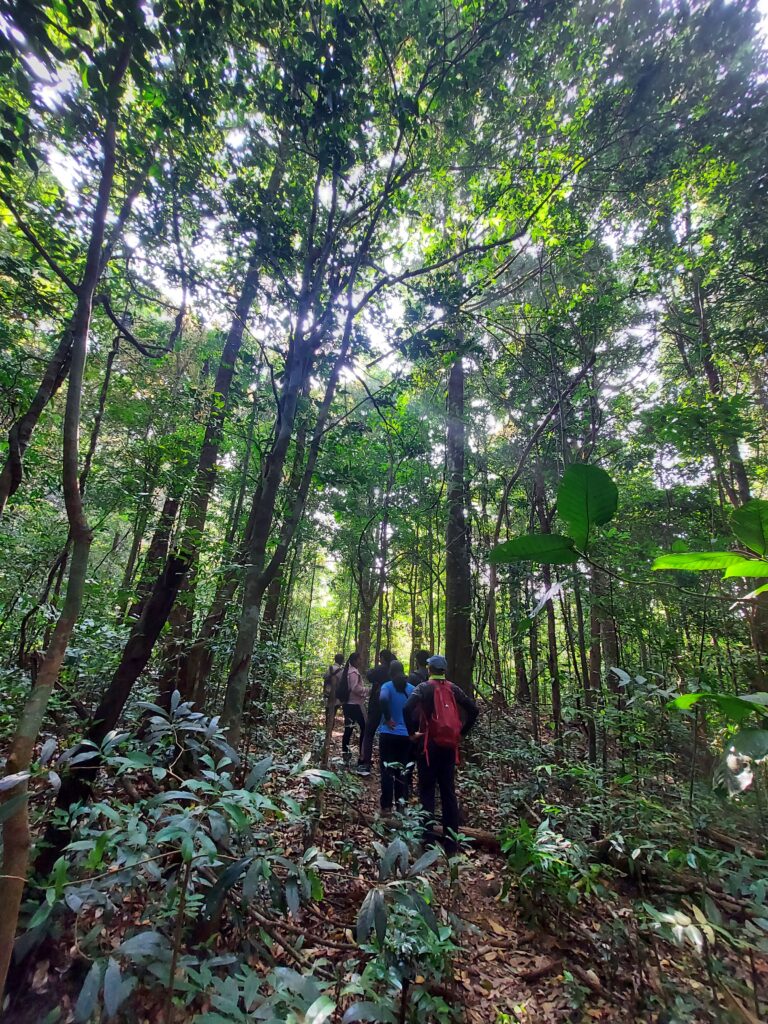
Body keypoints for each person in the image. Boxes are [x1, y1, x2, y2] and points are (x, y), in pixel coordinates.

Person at [404, 654, 478, 853]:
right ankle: (451, 843)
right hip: (449, 747)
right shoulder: (454, 689)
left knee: (427, 791)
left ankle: (427, 840)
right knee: (448, 792)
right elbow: (474, 710)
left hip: (429, 746)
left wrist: (412, 733)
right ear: (444, 670)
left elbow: (407, 707)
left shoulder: (423, 688)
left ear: (429, 669)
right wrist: (461, 733)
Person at [378, 660, 415, 814]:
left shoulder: (387, 686)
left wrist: (387, 718)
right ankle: (401, 805)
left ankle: (386, 807)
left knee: (387, 771)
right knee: (402, 771)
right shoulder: (412, 689)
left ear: (391, 673)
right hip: (406, 737)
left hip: (388, 734)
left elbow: (383, 699)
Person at [357, 648, 395, 776]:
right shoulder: (393, 670)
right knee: (388, 734)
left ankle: (367, 764)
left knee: (369, 733)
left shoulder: (380, 669)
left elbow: (369, 675)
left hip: (376, 704)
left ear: (382, 658)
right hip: (391, 706)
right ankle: (388, 766)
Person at [340, 652, 367, 764]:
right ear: (355, 660)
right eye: (359, 659)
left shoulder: (348, 671)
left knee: (348, 729)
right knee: (365, 728)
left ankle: (345, 755)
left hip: (348, 704)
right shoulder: (353, 672)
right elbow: (355, 688)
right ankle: (362, 757)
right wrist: (367, 690)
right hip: (354, 705)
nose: (361, 661)